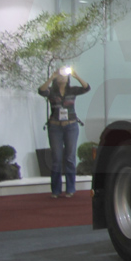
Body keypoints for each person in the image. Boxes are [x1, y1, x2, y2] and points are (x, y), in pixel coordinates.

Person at [38, 66, 90, 198]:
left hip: (71, 126)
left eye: (65, 75)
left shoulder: (72, 90)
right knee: (56, 158)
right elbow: (41, 91)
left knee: (70, 158)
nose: (62, 77)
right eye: (60, 75)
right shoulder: (51, 92)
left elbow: (86, 88)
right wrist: (52, 77)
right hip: (55, 127)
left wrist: (76, 75)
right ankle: (55, 190)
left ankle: (70, 188)